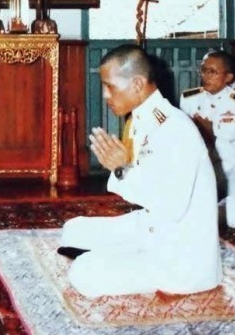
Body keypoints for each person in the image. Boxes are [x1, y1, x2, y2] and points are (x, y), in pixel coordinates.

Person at [60, 44, 221, 298]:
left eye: (110, 86)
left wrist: (122, 169)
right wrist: (123, 170)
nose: (105, 95)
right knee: (73, 229)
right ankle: (120, 254)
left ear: (136, 84)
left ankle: (119, 258)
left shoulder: (174, 129)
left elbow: (172, 208)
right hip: (154, 227)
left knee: (84, 272)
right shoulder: (143, 119)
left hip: (180, 256)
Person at [180, 49, 235, 229]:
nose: (206, 76)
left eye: (213, 72)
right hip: (199, 167)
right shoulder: (189, 99)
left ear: (229, 77)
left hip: (232, 168)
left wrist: (212, 132)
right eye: (203, 70)